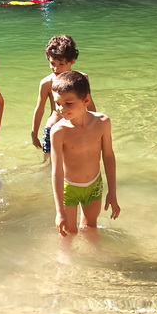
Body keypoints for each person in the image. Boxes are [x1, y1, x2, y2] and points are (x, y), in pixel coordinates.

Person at [50, 71, 120, 237]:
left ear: (86, 100)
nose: (61, 108)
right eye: (57, 103)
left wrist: (112, 192)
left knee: (90, 228)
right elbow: (57, 171)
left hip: (94, 185)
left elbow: (108, 156)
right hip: (70, 188)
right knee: (69, 232)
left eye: (68, 103)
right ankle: (66, 260)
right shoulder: (58, 132)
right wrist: (59, 211)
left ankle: (93, 259)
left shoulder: (102, 122)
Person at [31, 35, 96, 162]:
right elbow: (39, 109)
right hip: (54, 128)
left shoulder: (81, 79)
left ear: (72, 61)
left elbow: (89, 104)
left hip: (76, 129)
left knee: (76, 161)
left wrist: (94, 124)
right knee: (51, 165)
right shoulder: (47, 82)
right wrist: (34, 134)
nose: (56, 68)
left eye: (61, 64)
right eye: (52, 63)